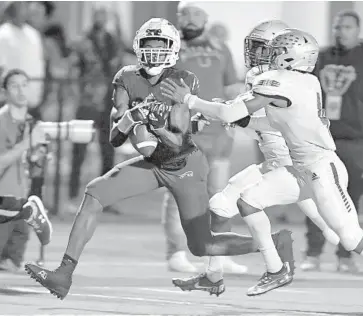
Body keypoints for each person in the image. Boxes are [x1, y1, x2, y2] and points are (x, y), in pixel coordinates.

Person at [24, 18, 293, 300]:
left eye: (159, 46)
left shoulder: (183, 80)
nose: (153, 52)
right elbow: (114, 138)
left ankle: (276, 243)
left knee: (202, 246)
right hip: (154, 164)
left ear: (173, 49)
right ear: (137, 48)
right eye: (147, 46)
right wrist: (131, 118)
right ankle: (64, 274)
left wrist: (154, 126)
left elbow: (176, 144)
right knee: (95, 193)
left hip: (183, 165)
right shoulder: (126, 77)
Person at [161, 27, 363, 295]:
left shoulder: (280, 80)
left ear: (292, 57)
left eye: (276, 50)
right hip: (298, 169)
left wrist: (189, 100)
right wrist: (226, 115)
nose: (268, 55)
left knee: (350, 238)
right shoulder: (303, 81)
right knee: (247, 200)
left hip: (320, 169)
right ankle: (274, 270)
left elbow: (234, 113)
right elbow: (269, 122)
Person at [171, 20, 340, 297]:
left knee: (336, 228)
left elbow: (255, 120)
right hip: (276, 162)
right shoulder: (274, 78)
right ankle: (214, 276)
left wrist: (215, 111)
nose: (255, 53)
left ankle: (278, 265)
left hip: (289, 164)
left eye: (262, 47)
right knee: (221, 204)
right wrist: (225, 114)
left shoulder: (279, 80)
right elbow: (245, 116)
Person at [300, 10, 363, 272]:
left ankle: (345, 257)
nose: (340, 31)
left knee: (350, 201)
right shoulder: (318, 60)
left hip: (356, 142)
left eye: (346, 27)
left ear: (357, 31)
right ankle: (312, 253)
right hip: (321, 142)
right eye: (337, 27)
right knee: (318, 198)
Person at [161, 1, 246, 273]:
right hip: (182, 136)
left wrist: (234, 124)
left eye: (196, 13)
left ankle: (219, 255)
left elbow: (233, 88)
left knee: (220, 196)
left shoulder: (221, 48)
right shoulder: (168, 49)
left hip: (218, 136)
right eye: (184, 14)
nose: (189, 19)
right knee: (181, 194)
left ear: (205, 18)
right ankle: (175, 253)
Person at [68, 6, 122, 214]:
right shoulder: (83, 41)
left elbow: (122, 59)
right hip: (87, 101)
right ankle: (73, 196)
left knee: (108, 149)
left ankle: (106, 198)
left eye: (105, 15)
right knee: (79, 149)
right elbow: (73, 69)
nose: (102, 18)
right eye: (99, 15)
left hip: (109, 102)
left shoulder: (112, 40)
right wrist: (77, 94)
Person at [0, 69, 53, 272]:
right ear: (5, 92)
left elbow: (33, 164)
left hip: (21, 200)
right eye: (15, 85)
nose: (21, 91)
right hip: (4, 199)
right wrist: (27, 143)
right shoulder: (1, 122)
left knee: (11, 264)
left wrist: (37, 157)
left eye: (24, 85)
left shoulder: (32, 123)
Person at [0, 2, 46, 119]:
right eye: (18, 6)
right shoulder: (3, 34)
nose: (22, 10)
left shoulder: (33, 34)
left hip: (33, 100)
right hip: (9, 102)